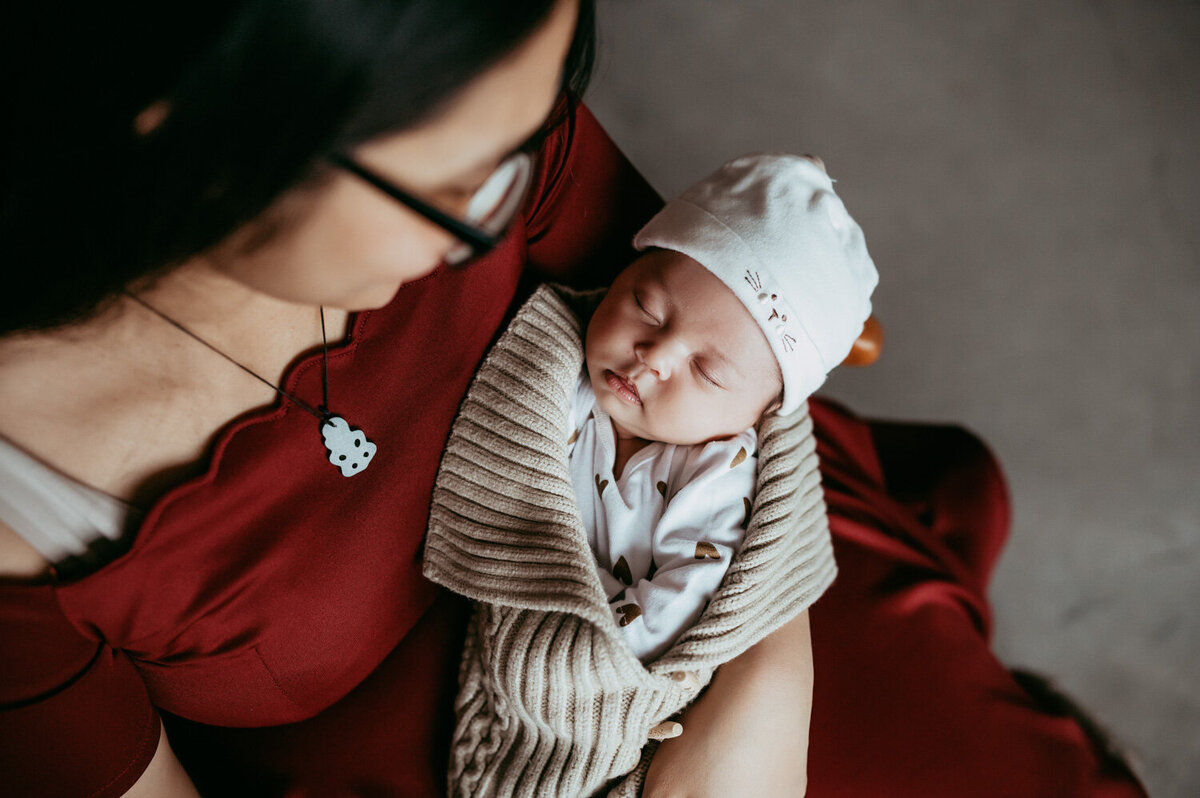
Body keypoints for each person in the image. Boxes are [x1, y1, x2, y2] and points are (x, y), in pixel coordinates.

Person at [0, 1, 1150, 797]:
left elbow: (733, 348)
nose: (501, 203)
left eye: (532, 137)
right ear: (199, 127)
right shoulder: (21, 510)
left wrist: (764, 675)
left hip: (723, 547)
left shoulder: (475, 77)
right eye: (456, 185)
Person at [422, 152, 877, 795]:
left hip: (634, 680)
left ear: (757, 416)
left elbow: (684, 594)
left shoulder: (718, 470)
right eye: (647, 306)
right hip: (519, 640)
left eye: (708, 372)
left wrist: (597, 666)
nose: (654, 355)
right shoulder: (564, 377)